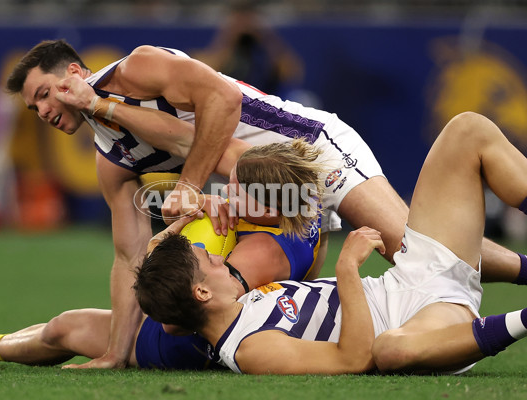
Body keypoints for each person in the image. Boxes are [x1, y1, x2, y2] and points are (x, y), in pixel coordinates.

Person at [5, 39, 525, 370]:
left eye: (47, 94)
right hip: (270, 187)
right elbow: (128, 257)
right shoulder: (110, 155)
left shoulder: (137, 69)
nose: (44, 110)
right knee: (420, 246)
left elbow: (224, 105)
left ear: (75, 72)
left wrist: (197, 188)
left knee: (408, 244)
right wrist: (116, 353)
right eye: (35, 107)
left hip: (310, 148)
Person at [135, 112, 527, 375]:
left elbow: (165, 299)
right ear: (201, 291)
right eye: (208, 261)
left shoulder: (232, 300)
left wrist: (172, 229)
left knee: (467, 129)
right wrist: (347, 270)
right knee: (391, 351)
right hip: (422, 323)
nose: (217, 256)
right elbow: (355, 358)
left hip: (413, 270)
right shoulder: (245, 348)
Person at [0, 183, 322, 369]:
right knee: (65, 326)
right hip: (190, 317)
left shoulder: (258, 253)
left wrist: (166, 243)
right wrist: (183, 220)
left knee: (65, 329)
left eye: (243, 186)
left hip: (184, 343)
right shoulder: (294, 227)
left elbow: (172, 325)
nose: (234, 190)